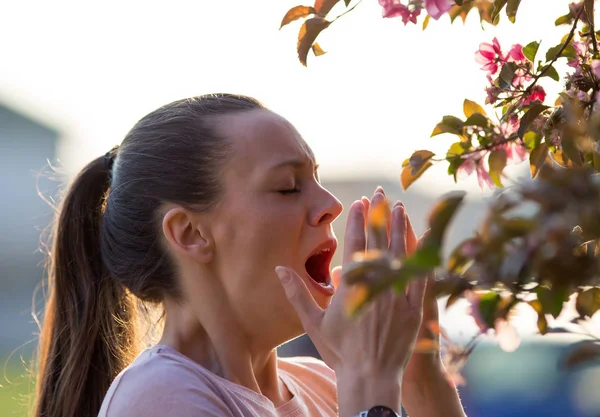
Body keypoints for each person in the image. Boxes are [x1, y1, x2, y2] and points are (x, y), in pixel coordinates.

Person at [33, 94, 466, 417]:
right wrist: (371, 389)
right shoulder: (161, 397)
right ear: (190, 233)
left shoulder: (322, 384)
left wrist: (420, 377)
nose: (330, 204)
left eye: (316, 179)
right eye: (287, 188)